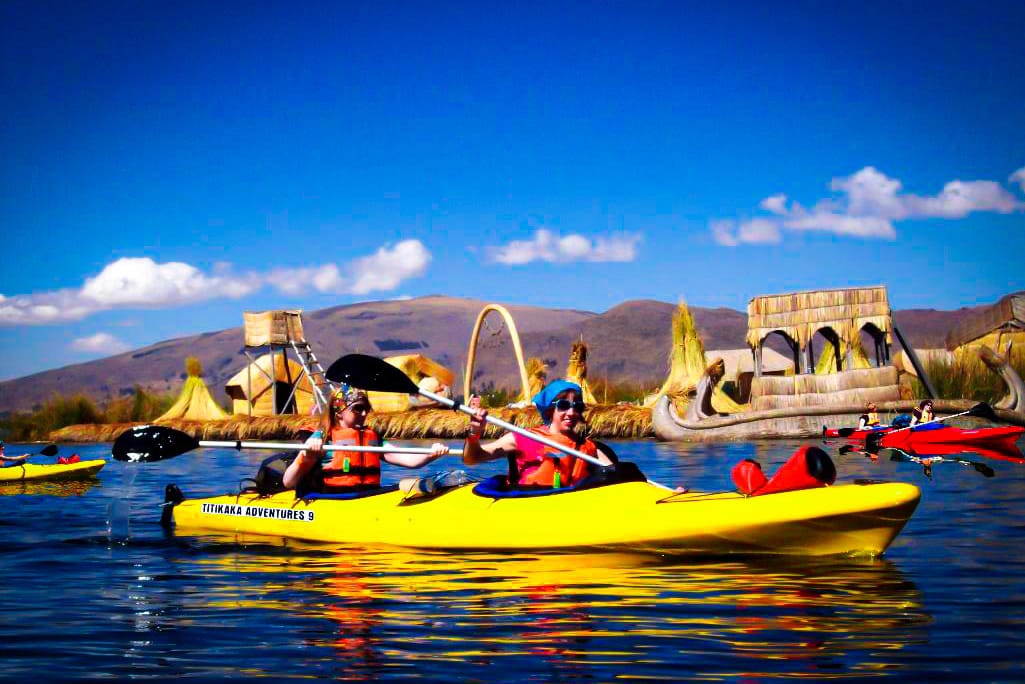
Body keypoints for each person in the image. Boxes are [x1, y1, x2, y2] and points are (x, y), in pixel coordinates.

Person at [282, 386, 451, 494]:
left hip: (366, 497)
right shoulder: (321, 437)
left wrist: (431, 454)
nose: (364, 414)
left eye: (366, 408)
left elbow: (410, 461)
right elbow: (288, 482)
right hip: (333, 501)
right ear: (339, 411)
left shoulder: (372, 438)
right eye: (358, 408)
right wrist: (308, 456)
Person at [462, 379, 613, 489]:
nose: (571, 412)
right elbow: (472, 458)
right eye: (563, 405)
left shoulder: (589, 448)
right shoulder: (522, 438)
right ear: (549, 410)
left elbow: (617, 475)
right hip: (528, 504)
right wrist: (474, 433)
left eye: (577, 406)